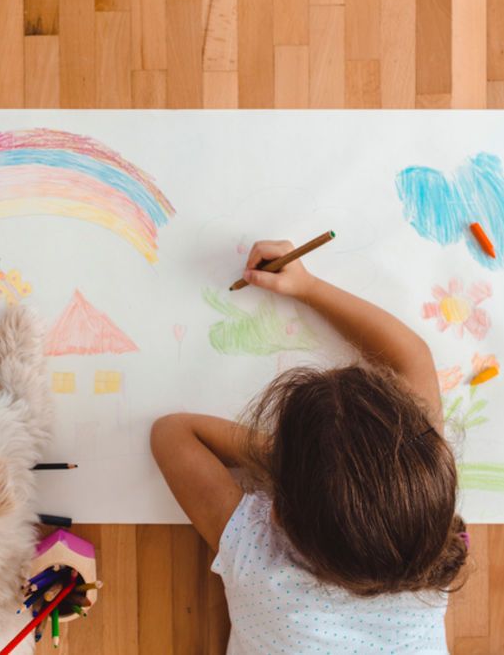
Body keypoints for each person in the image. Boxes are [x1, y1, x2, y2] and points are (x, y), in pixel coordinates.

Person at [150, 239, 468, 654]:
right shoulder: (429, 534)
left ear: (277, 512)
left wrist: (289, 465)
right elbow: (414, 360)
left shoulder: (261, 565)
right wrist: (309, 287)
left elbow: (172, 433)